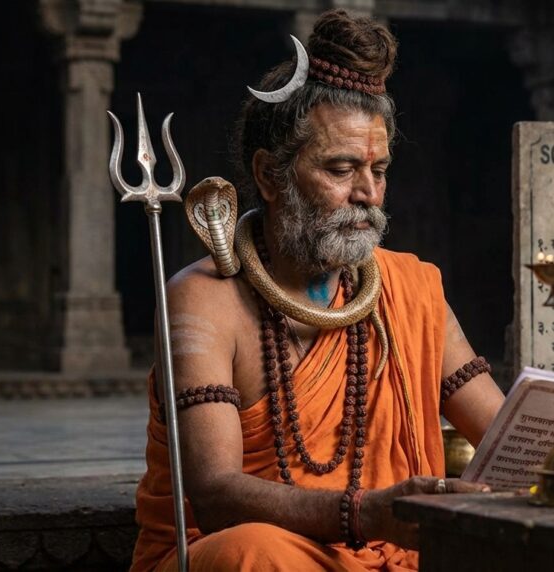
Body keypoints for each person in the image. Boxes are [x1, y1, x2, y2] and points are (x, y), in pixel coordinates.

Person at [130, 10, 505, 572]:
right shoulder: (204, 298)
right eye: (341, 168)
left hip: (394, 557)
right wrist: (368, 514)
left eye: (379, 170)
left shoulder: (411, 287)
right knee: (249, 553)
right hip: (266, 554)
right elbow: (214, 493)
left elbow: (503, 437)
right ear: (270, 174)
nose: (369, 194)